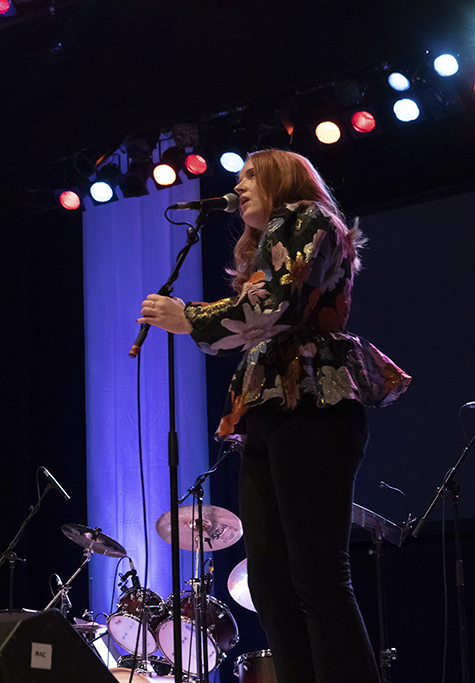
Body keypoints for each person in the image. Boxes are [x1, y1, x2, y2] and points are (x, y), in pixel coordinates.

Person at [137, 150, 410, 683]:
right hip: (272, 411)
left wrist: (187, 316)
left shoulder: (307, 217)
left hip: (315, 403)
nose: (237, 186)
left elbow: (274, 307)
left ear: (281, 179)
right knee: (269, 582)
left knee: (317, 575)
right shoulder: (270, 241)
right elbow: (255, 322)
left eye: (248, 176)